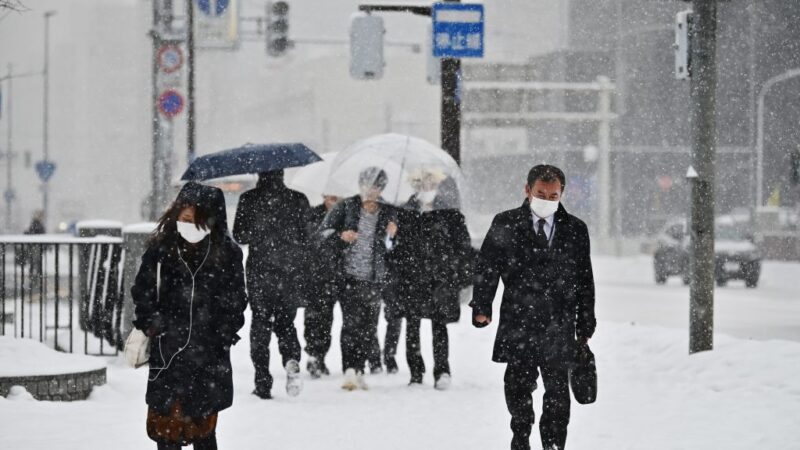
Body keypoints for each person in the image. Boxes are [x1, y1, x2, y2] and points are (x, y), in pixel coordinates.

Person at [471, 165, 596, 450]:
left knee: (557, 393)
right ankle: (521, 435)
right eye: (541, 193)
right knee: (517, 387)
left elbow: (584, 279)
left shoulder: (575, 229)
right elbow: (487, 267)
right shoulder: (505, 223)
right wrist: (482, 306)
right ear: (527, 190)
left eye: (554, 195)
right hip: (519, 319)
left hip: (558, 322)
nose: (547, 200)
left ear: (561, 194)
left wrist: (585, 321)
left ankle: (553, 445)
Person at [131, 182, 248, 450]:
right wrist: (152, 323)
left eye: (197, 221)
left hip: (208, 355)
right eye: (185, 219)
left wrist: (224, 333)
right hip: (168, 349)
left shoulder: (227, 254)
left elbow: (236, 300)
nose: (189, 226)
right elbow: (143, 290)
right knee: (165, 429)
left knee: (204, 429)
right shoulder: (161, 249)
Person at [386, 171, 473, 389]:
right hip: (412, 278)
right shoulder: (404, 212)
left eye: (430, 183)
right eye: (421, 183)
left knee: (439, 325)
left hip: (440, 279)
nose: (426, 187)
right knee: (412, 325)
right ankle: (416, 372)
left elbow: (462, 246)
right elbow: (393, 250)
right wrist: (392, 235)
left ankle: (442, 371)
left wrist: (457, 274)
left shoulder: (451, 213)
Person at [316, 167, 397, 390]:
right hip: (348, 276)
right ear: (360, 185)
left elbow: (394, 250)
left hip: (375, 278)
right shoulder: (346, 206)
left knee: (369, 327)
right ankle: (350, 370)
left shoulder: (389, 212)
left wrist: (392, 236)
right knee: (350, 324)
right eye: (368, 185)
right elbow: (322, 234)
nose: (372, 190)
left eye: (377, 186)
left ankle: (360, 369)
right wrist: (341, 237)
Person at [233, 170, 310, 399]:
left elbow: (239, 235)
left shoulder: (248, 199)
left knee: (260, 323)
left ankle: (262, 381)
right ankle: (291, 358)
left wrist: (260, 231)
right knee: (287, 322)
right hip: (289, 272)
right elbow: (307, 237)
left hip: (260, 272)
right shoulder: (298, 199)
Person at [303, 194, 341, 378]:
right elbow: (309, 239)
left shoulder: (345, 214)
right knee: (313, 317)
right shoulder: (313, 214)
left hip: (335, 274)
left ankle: (320, 356)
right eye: (330, 196)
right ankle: (312, 353)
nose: (332, 200)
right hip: (314, 273)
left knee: (327, 319)